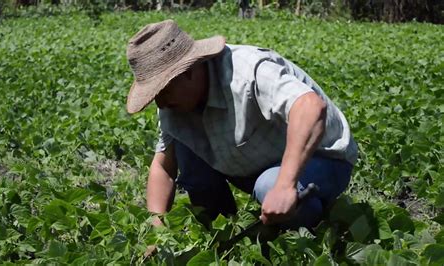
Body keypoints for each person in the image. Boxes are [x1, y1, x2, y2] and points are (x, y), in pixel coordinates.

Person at [125, 20, 358, 230]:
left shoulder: (247, 71)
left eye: (162, 90)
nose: (160, 102)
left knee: (269, 185)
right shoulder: (173, 104)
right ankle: (220, 228)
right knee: (183, 144)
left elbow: (310, 107)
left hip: (321, 158)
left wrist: (284, 185)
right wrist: (157, 230)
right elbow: (163, 167)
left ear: (188, 71)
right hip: (254, 163)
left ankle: (311, 228)